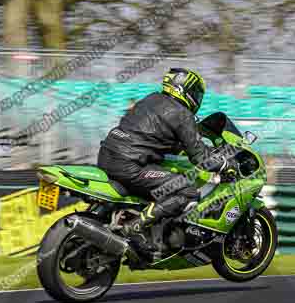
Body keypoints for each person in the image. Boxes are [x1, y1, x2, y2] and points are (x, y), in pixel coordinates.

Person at [97, 68, 232, 250]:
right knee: (187, 191)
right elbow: (199, 156)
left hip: (107, 156)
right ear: (186, 90)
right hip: (130, 166)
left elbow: (157, 138)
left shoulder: (151, 99)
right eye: (197, 93)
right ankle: (134, 227)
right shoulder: (182, 113)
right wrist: (224, 163)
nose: (197, 98)